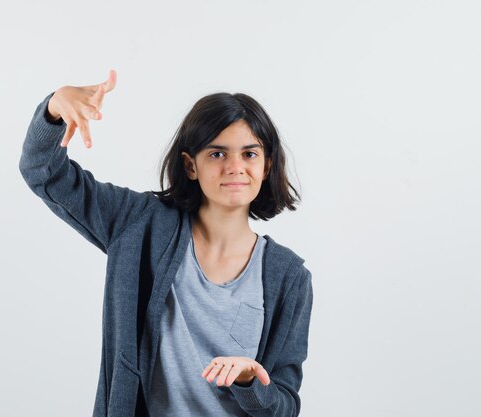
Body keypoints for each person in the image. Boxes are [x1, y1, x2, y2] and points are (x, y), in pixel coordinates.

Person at [19, 69, 314, 417]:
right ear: (191, 165)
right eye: (217, 154)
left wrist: (251, 382)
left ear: (266, 166)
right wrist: (54, 109)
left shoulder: (289, 277)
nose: (235, 167)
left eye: (249, 154)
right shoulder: (139, 223)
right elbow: (43, 172)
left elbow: (284, 405)